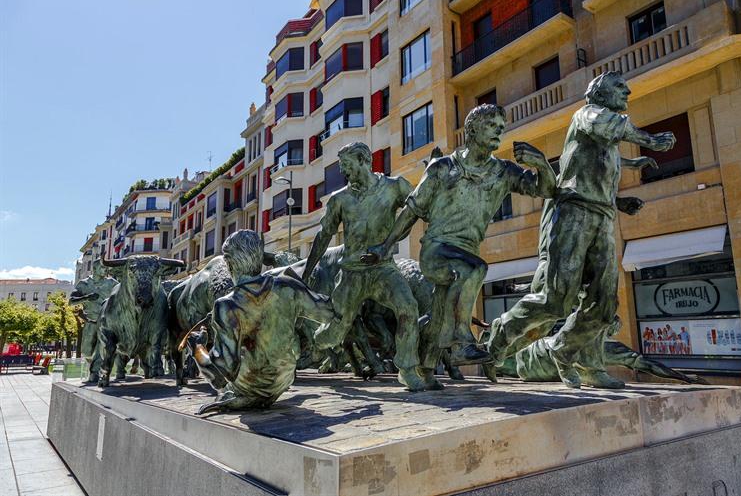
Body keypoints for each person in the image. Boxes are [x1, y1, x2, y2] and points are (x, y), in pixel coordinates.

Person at [485, 71, 676, 389]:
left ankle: (582, 361)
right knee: (556, 300)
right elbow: (607, 129)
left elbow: (598, 175)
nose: (627, 90)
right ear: (599, 94)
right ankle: (498, 338)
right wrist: (651, 140)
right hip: (573, 214)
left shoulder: (607, 145)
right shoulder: (587, 114)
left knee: (603, 304)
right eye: (619, 86)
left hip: (601, 218)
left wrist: (620, 202)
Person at [363, 104, 557, 387]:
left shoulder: (503, 172)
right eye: (492, 126)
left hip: (465, 252)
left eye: (501, 128)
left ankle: (425, 368)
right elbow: (412, 210)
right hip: (436, 249)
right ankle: (461, 340)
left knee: (442, 309)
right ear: (472, 129)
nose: (499, 133)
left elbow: (547, 190)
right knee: (473, 269)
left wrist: (541, 164)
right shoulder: (442, 168)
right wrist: (385, 246)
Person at [305, 142, 426, 391]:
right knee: (334, 333)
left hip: (383, 268)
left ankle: (408, 367)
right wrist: (305, 274)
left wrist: (392, 240)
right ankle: (315, 341)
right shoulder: (340, 199)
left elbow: (417, 209)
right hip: (351, 272)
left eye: (346, 166)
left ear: (363, 160)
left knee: (408, 307)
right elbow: (323, 235)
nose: (343, 172)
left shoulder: (395, 187)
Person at [187, 231, 335, 413]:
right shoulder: (287, 286)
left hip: (249, 387)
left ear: (230, 263)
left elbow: (220, 376)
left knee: (224, 383)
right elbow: (329, 313)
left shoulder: (227, 305)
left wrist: (198, 348)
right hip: (283, 379)